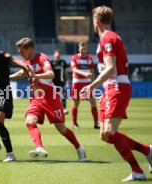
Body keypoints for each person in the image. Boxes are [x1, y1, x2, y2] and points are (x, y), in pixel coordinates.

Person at [80, 6, 152, 181]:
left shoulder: (108, 38)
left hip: (117, 86)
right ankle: (147, 150)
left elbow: (111, 69)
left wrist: (92, 86)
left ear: (96, 20)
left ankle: (137, 171)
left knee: (110, 133)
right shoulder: (107, 37)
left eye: (93, 19)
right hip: (110, 88)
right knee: (105, 135)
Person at [10, 37, 87, 161]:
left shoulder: (42, 58)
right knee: (30, 120)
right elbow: (21, 73)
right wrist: (7, 78)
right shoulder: (27, 62)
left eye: (22, 51)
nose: (20, 54)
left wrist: (36, 76)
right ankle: (39, 148)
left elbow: (51, 74)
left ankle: (79, 148)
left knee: (61, 128)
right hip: (36, 97)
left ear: (29, 49)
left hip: (50, 96)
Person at [70, 42, 100, 129]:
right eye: (82, 49)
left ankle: (96, 123)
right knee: (76, 103)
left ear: (87, 49)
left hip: (87, 83)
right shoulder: (74, 57)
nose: (83, 50)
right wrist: (84, 74)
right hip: (77, 82)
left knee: (93, 101)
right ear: (79, 49)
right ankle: (74, 124)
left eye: (85, 49)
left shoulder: (89, 58)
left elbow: (92, 70)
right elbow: (74, 70)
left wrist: (94, 83)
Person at [51, 49, 69, 114]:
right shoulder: (51, 63)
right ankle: (53, 109)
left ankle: (63, 109)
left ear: (60, 55)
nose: (57, 56)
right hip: (53, 82)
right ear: (54, 55)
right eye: (56, 55)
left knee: (63, 95)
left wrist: (67, 80)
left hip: (61, 82)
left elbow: (65, 72)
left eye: (58, 55)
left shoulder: (63, 62)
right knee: (53, 96)